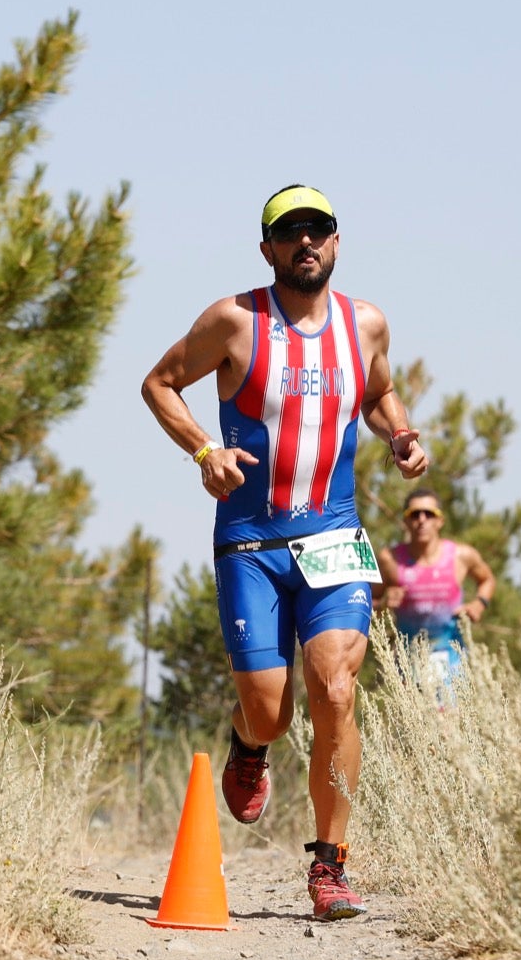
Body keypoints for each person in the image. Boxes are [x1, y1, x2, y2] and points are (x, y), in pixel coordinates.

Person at [141, 184, 428, 922]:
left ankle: (330, 867)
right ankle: (249, 742)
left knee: (335, 690)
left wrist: (399, 433)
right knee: (271, 714)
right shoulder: (234, 322)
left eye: (319, 230)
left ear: (337, 242)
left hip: (333, 537)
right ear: (267, 248)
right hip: (251, 542)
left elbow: (379, 393)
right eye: (289, 232)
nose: (306, 242)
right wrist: (205, 449)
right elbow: (160, 383)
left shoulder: (365, 325)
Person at [375, 489, 497, 696]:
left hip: (451, 654)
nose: (422, 520)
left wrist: (479, 604)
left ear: (440, 520)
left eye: (429, 514)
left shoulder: (460, 555)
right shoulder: (391, 560)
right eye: (414, 514)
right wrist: (384, 603)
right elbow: (368, 603)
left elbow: (487, 579)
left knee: (450, 722)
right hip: (409, 657)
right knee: (415, 723)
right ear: (405, 521)